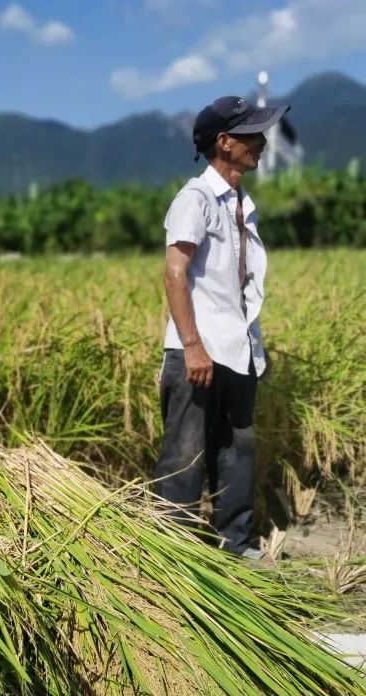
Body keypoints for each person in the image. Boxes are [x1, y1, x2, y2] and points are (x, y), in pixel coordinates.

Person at [154, 95, 289, 560]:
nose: (263, 142)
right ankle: (171, 561)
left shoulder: (240, 203)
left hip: (236, 350)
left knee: (237, 453)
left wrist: (255, 349)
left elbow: (239, 285)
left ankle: (239, 547)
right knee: (185, 460)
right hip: (197, 352)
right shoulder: (195, 199)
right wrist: (192, 346)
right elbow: (175, 274)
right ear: (225, 142)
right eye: (253, 134)